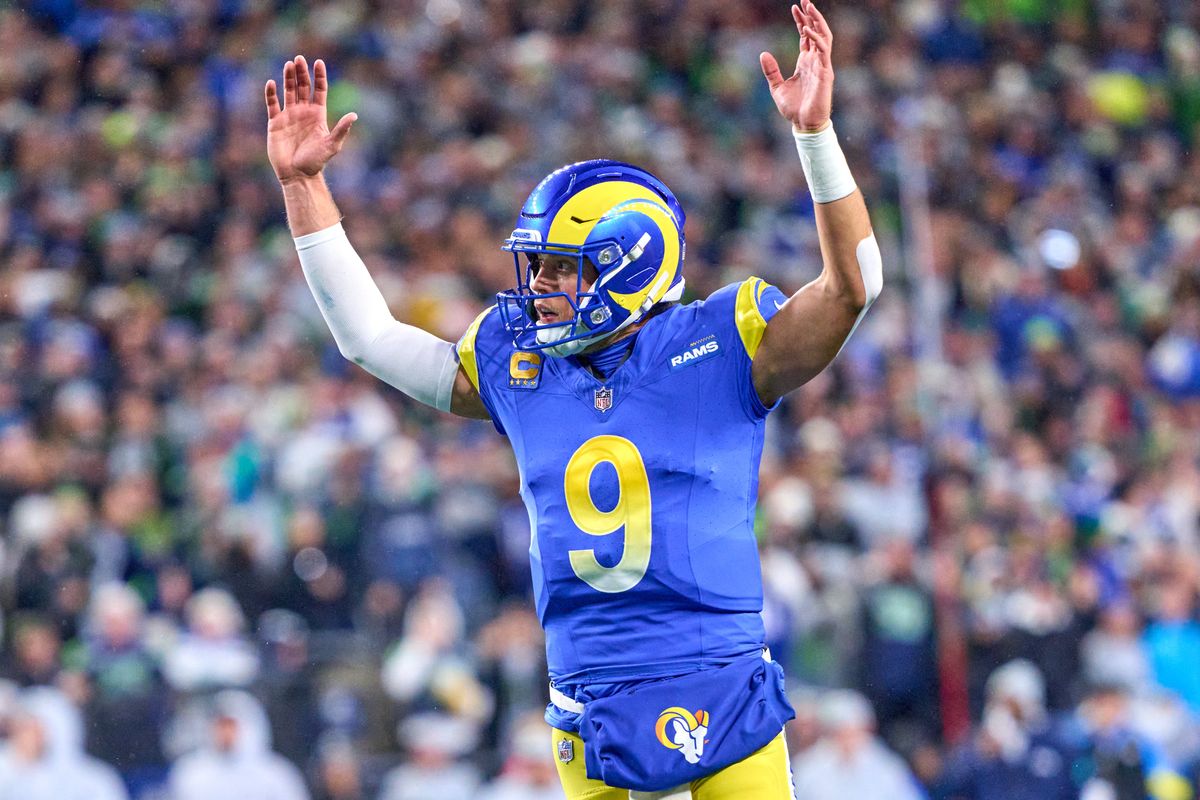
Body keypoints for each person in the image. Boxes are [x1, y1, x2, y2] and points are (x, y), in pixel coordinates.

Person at [264, 2, 881, 797]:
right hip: (591, 696)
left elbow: (851, 287)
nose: (541, 289)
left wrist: (814, 137)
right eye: (539, 266)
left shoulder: (723, 342)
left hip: (720, 679)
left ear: (631, 263)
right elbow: (370, 339)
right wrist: (305, 187)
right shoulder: (518, 362)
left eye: (562, 268)